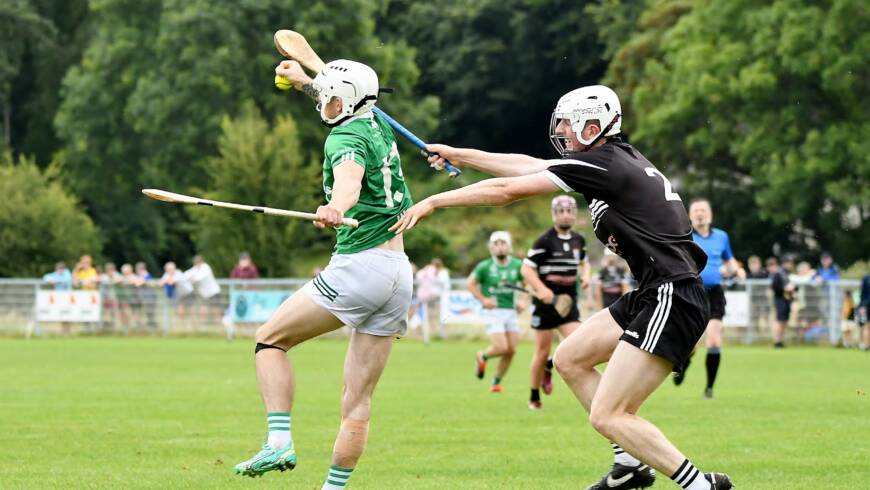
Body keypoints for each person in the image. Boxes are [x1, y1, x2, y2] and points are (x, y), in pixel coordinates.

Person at [393, 84, 732, 489]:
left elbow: (507, 191)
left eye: (571, 126)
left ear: (596, 125)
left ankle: (699, 486)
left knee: (610, 414)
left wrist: (434, 201)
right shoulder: (609, 160)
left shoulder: (606, 164)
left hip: (672, 293)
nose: (565, 134)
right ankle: (630, 466)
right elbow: (529, 165)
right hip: (654, 290)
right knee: (570, 358)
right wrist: (458, 154)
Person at [233, 58, 414, 490]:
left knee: (270, 340)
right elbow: (336, 98)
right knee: (357, 401)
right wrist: (303, 82)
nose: (326, 104)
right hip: (398, 273)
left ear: (346, 101)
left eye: (330, 97)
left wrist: (339, 206)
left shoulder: (344, 137)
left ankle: (278, 440)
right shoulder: (376, 122)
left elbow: (348, 178)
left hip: (360, 265)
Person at [522, 195, 590, 410]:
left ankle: (551, 364)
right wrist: (542, 289)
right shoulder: (544, 240)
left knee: (580, 344)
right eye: (561, 211)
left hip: (568, 302)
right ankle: (534, 396)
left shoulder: (579, 240)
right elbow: (526, 268)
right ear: (554, 214)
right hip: (545, 304)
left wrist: (586, 275)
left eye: (569, 211)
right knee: (541, 351)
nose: (566, 215)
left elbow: (584, 262)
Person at [675, 198, 744, 399]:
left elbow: (729, 259)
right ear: (689, 215)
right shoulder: (684, 236)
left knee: (714, 340)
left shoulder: (721, 237)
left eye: (703, 210)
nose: (700, 214)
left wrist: (738, 270)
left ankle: (709, 388)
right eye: (696, 210)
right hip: (691, 293)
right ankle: (684, 367)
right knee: (692, 345)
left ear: (710, 214)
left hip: (714, 293)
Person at [468, 231, 526, 393]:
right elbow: (470, 284)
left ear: (510, 246)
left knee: (512, 349)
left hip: (511, 311)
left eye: (503, 243)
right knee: (501, 347)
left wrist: (522, 300)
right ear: (491, 248)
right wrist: (483, 300)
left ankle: (496, 382)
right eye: (496, 244)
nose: (500, 247)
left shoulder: (517, 265)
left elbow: (527, 283)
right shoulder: (485, 266)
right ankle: (483, 356)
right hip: (494, 312)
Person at [415, 257, 451, 339]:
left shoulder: (443, 273)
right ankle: (434, 332)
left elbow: (444, 285)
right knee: (429, 315)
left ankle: (442, 333)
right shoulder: (429, 272)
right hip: (430, 297)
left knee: (442, 315)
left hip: (440, 297)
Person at [769, 256, 795, 348]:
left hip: (787, 299)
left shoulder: (788, 274)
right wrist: (784, 288)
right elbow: (774, 286)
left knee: (784, 320)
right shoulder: (778, 273)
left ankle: (780, 340)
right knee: (779, 320)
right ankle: (777, 341)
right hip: (780, 299)